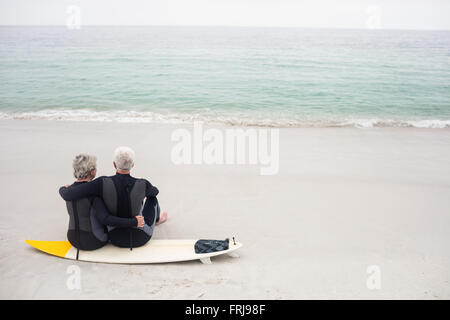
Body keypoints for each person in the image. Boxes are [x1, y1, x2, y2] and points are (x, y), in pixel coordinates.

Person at [59, 147, 167, 249]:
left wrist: (64, 188)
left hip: (115, 237)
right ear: (132, 165)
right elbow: (155, 192)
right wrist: (144, 191)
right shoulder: (143, 183)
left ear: (114, 164)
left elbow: (71, 193)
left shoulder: (102, 182)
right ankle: (157, 220)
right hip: (141, 237)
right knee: (152, 198)